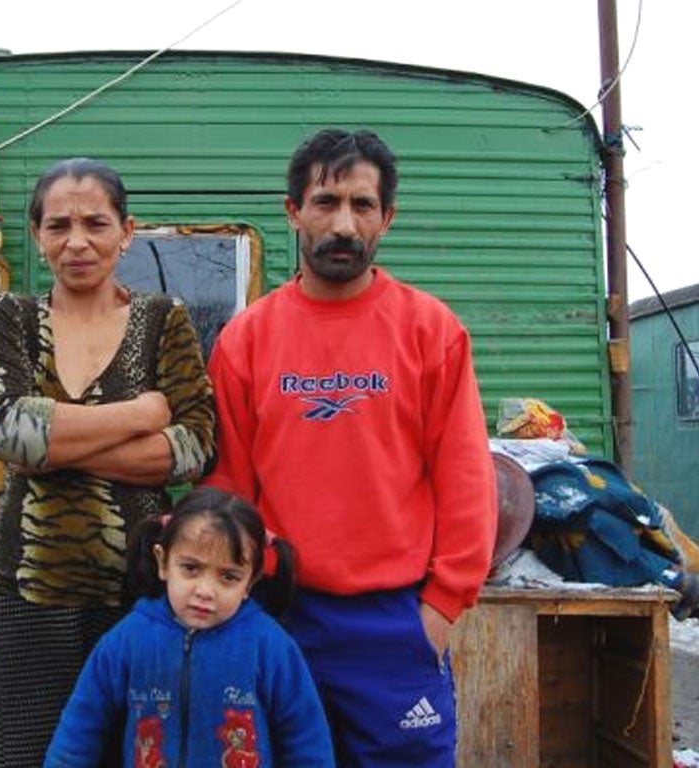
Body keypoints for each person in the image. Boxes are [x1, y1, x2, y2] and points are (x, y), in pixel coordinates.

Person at [205, 128, 498, 767]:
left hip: (396, 622)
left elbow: (467, 480)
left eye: (362, 206)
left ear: (386, 219)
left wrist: (442, 607)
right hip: (280, 615)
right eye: (325, 202)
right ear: (293, 211)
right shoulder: (246, 340)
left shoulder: (431, 331)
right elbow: (229, 487)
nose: (343, 223)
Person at [0, 157, 217, 767]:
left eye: (95, 223)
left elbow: (194, 447)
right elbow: (7, 433)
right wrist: (140, 414)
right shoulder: (10, 319)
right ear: (37, 235)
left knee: (135, 752)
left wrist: (57, 444)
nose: (77, 241)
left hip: (138, 589)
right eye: (58, 226)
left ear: (126, 231)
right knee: (31, 755)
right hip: (28, 591)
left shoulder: (164, 321)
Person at [43, 486, 335, 767]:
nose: (205, 590)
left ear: (251, 582)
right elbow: (80, 729)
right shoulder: (127, 640)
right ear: (163, 562)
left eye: (229, 577)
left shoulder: (271, 647)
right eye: (191, 569)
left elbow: (307, 743)